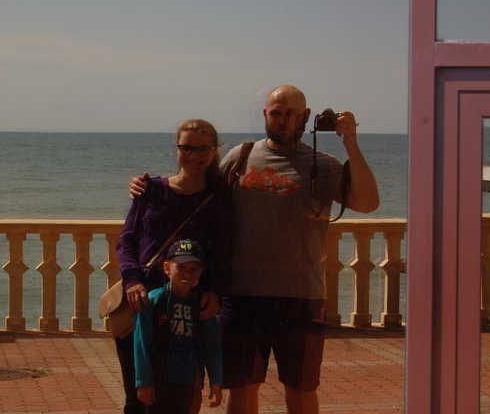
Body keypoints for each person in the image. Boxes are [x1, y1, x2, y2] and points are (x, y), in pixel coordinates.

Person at [130, 86, 380, 414]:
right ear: (265, 115)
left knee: (302, 389)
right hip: (241, 298)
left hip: (302, 298)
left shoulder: (323, 164)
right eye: (276, 113)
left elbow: (368, 202)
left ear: (306, 117)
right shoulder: (241, 157)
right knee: (241, 389)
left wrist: (351, 144)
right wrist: (148, 187)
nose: (283, 120)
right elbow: (194, 188)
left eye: (291, 113)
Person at [116, 119, 230, 414]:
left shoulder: (217, 202)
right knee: (137, 398)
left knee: (180, 397)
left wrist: (215, 293)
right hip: (142, 303)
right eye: (186, 148)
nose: (194, 155)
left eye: (202, 149)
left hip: (186, 312)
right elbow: (127, 241)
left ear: (214, 151)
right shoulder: (150, 190)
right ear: (176, 148)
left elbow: (221, 257)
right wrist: (132, 281)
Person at [134, 240, 224, 414]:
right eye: (181, 267)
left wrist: (216, 381)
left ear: (201, 273)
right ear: (167, 268)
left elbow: (213, 347)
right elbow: (141, 344)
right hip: (159, 381)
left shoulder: (202, 306)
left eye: (194, 269)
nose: (187, 273)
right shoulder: (154, 301)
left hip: (190, 382)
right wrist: (143, 381)